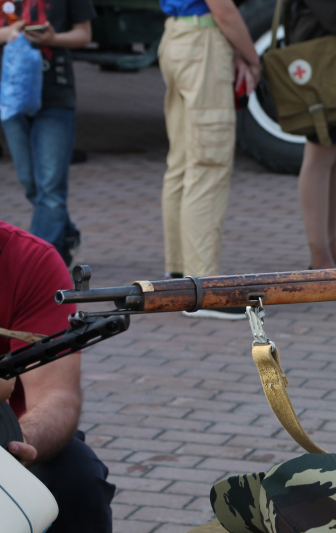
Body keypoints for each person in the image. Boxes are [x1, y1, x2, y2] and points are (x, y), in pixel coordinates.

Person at [0, 221, 115, 533]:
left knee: (76, 473)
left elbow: (56, 395)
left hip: (8, 439)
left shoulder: (28, 260)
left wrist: (15, 447)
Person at [158, 0, 259, 319]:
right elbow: (223, 8)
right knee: (208, 165)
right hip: (202, 40)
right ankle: (202, 287)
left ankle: (178, 274)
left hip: (175, 35)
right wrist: (253, 58)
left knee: (182, 162)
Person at [0, 0, 95, 267]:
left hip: (55, 94)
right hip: (11, 95)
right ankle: (66, 233)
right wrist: (10, 33)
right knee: (31, 183)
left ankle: (40, 264)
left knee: (50, 186)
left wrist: (53, 39)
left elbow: (84, 34)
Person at [292, 0, 336, 271]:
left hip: (330, 64)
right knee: (319, 154)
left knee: (333, 158)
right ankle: (319, 256)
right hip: (322, 68)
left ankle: (330, 252)